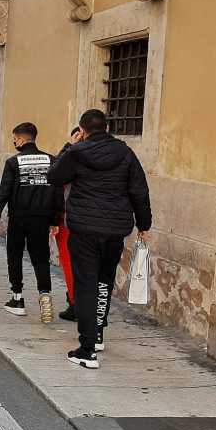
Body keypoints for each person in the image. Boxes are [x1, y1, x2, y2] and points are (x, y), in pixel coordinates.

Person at [47, 109, 152, 368]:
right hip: (114, 230)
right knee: (104, 282)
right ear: (107, 128)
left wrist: (68, 147)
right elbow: (139, 190)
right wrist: (144, 224)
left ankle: (87, 349)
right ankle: (98, 335)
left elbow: (54, 176)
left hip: (84, 229)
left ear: (82, 131)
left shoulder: (77, 152)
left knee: (86, 285)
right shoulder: (125, 153)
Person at [0, 122, 63, 323]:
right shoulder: (51, 160)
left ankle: (17, 299)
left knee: (15, 255)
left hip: (18, 218)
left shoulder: (14, 162)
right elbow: (57, 193)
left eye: (14, 139)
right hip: (41, 218)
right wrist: (55, 220)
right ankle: (45, 296)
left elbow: (3, 193)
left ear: (21, 140)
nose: (14, 142)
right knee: (41, 258)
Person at [55, 127, 82, 322]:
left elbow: (54, 174)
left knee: (69, 263)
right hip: (97, 220)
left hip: (69, 219)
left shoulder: (72, 159)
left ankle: (75, 304)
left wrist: (69, 147)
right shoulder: (110, 156)